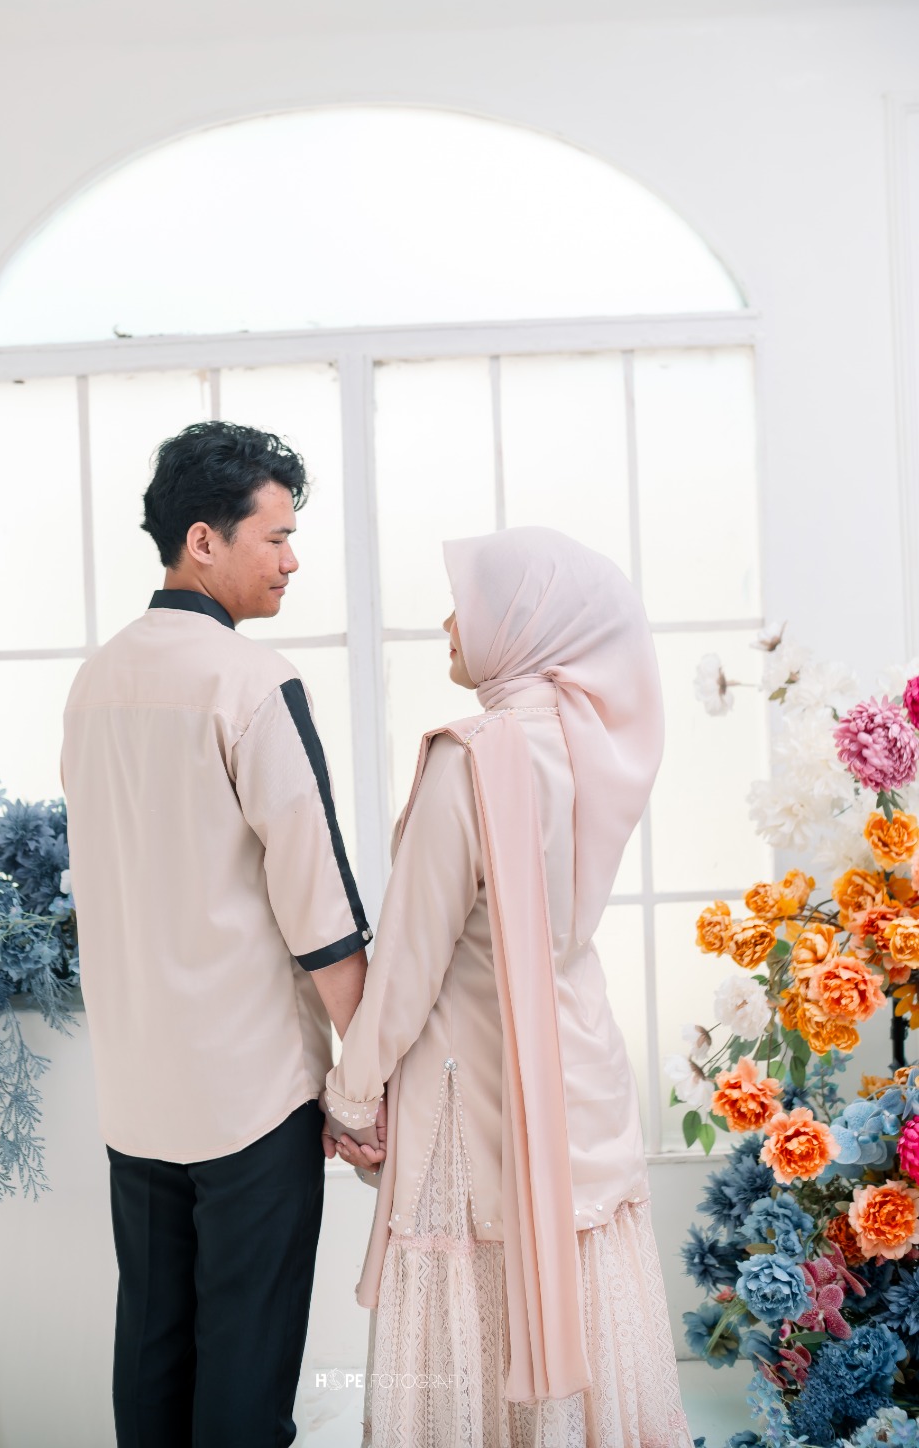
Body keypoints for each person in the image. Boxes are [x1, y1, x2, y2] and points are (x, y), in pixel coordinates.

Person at [324, 527, 691, 1448]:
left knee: (471, 1320)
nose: (448, 624)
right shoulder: (591, 747)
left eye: (467, 605)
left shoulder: (475, 756)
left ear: (520, 623)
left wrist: (352, 1093)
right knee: (580, 1269)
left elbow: (409, 960)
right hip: (581, 1066)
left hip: (474, 1087)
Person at [61, 421, 372, 1448]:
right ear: (203, 540)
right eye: (275, 537)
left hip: (137, 1085)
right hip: (250, 1088)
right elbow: (317, 901)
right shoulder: (249, 681)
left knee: (152, 1350)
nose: (291, 561)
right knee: (245, 1365)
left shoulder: (93, 683)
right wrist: (369, 1070)